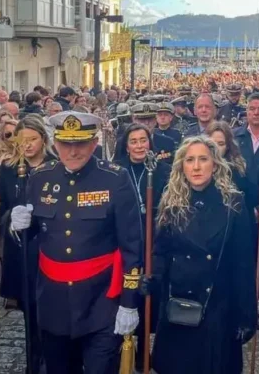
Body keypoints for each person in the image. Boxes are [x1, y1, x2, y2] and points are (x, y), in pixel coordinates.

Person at [9, 111, 142, 374]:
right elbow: (35, 231)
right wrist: (17, 225)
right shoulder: (40, 177)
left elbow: (132, 245)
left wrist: (129, 302)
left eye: (80, 143)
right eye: (65, 144)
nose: (72, 151)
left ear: (94, 143)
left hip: (101, 300)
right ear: (55, 143)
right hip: (53, 301)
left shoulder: (115, 178)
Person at [141, 136, 257, 374]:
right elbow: (161, 251)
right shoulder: (171, 204)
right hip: (179, 303)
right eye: (190, 160)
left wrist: (247, 314)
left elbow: (244, 263)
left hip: (218, 304)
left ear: (215, 164)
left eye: (203, 159)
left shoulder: (233, 203)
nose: (196, 167)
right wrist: (152, 277)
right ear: (181, 165)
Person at [0, 116, 57, 374]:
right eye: (22, 140)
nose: (27, 145)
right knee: (29, 311)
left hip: (49, 249)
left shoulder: (55, 167)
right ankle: (33, 362)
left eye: (32, 140)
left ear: (44, 139)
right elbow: (1, 207)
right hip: (21, 250)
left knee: (50, 311)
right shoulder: (8, 169)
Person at [113, 123, 171, 371]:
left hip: (154, 238)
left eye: (143, 140)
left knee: (150, 292)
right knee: (126, 288)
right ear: (126, 146)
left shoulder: (163, 170)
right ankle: (125, 343)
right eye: (134, 141)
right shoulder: (116, 171)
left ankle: (145, 345)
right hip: (123, 240)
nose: (139, 145)